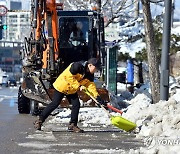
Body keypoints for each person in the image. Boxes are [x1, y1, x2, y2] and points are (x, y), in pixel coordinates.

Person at [34, 58, 106, 133]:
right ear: (90, 65)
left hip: (71, 90)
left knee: (76, 105)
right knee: (55, 103)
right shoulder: (77, 66)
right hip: (61, 86)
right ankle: (39, 120)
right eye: (96, 68)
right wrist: (78, 86)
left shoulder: (90, 75)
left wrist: (97, 96)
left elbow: (91, 86)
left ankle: (72, 125)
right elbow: (69, 77)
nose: (96, 70)